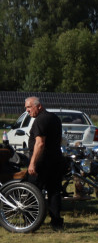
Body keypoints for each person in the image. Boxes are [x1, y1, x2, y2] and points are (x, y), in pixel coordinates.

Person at [24, 96, 66, 230]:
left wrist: (32, 163)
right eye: (26, 108)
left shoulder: (40, 120)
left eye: (29, 107)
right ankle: (56, 223)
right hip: (56, 160)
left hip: (42, 163)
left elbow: (40, 144)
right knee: (54, 192)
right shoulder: (54, 118)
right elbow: (59, 140)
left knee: (31, 191)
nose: (27, 111)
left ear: (39, 106)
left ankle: (30, 221)